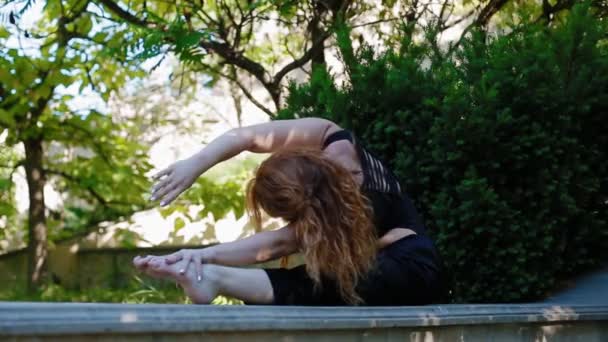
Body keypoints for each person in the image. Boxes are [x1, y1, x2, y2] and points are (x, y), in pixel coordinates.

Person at [133, 117, 444, 305]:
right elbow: (250, 137)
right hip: (399, 260)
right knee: (325, 280)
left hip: (415, 271)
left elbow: (280, 243)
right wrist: (195, 165)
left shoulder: (353, 204)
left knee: (319, 284)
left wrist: (204, 255)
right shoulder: (332, 138)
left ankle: (214, 279)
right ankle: (211, 278)